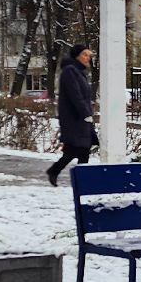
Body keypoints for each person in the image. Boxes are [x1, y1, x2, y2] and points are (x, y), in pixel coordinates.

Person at [46, 44, 98, 185]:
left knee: (84, 149)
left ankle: (82, 181)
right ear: (77, 56)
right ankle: (55, 171)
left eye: (89, 55)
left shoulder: (79, 72)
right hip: (74, 118)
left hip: (81, 117)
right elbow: (75, 95)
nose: (88, 58)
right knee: (75, 148)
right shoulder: (70, 71)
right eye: (84, 55)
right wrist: (85, 113)